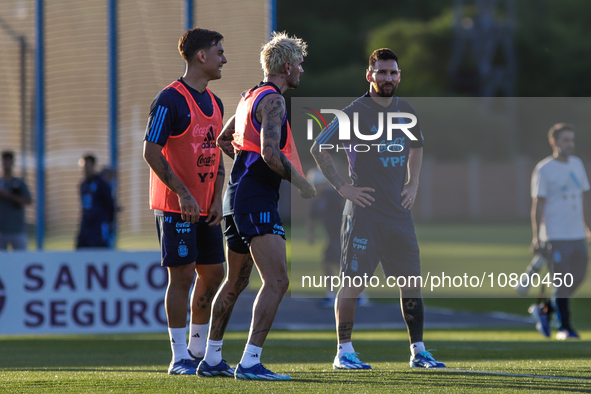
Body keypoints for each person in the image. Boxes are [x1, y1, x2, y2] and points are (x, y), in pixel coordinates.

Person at [310, 48, 445, 370]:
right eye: (382, 72)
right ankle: (344, 352)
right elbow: (319, 148)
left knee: (411, 283)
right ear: (370, 75)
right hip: (364, 215)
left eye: (393, 73)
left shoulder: (406, 110)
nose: (388, 78)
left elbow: (417, 147)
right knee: (353, 284)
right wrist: (343, 187)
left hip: (399, 215)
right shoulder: (352, 113)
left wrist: (412, 185)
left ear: (399, 76)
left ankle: (419, 351)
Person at [201, 31, 316, 381]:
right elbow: (269, 153)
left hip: (236, 196)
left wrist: (244, 165)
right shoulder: (274, 101)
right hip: (255, 198)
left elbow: (224, 139)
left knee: (236, 282)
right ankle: (250, 362)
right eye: (298, 64)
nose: (301, 71)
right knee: (278, 280)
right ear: (285, 66)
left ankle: (211, 358)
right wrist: (302, 183)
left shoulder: (248, 96)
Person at [143, 27, 227, 375]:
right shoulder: (169, 99)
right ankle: (179, 358)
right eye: (219, 51)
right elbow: (150, 151)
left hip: (207, 207)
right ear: (201, 56)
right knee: (181, 279)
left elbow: (218, 155)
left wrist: (218, 198)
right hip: (175, 206)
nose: (225, 58)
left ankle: (197, 352)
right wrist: (183, 193)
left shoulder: (217, 102)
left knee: (214, 274)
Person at [529, 123, 590, 340]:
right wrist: (537, 236)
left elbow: (584, 197)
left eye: (572, 140)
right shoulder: (544, 169)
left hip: (577, 235)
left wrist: (588, 227)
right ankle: (565, 328)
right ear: (554, 142)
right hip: (555, 235)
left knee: (579, 275)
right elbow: (538, 205)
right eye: (565, 140)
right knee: (561, 282)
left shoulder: (577, 164)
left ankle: (545, 310)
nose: (570, 144)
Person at [306, 168, 345, 308]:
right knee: (328, 263)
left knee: (342, 265)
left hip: (342, 236)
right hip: (332, 236)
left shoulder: (333, 195)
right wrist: (311, 234)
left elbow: (348, 207)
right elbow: (312, 217)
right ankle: (331, 294)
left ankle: (356, 295)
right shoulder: (317, 200)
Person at [76, 154, 115, 249]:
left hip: (98, 226)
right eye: (83, 167)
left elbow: (110, 204)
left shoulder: (101, 184)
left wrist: (108, 222)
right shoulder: (83, 185)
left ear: (93, 166)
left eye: (88, 167)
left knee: (100, 251)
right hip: (86, 226)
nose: (85, 170)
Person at [0, 150, 32, 250]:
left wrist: (9, 195)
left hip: (17, 229)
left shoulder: (19, 183)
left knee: (21, 256)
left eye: (8, 161)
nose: (6, 164)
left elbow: (28, 200)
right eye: (4, 161)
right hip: (1, 230)